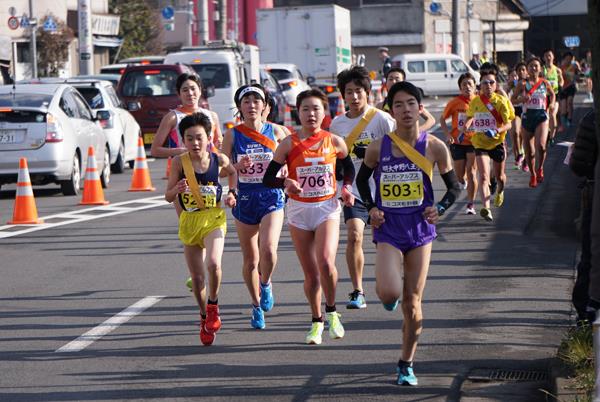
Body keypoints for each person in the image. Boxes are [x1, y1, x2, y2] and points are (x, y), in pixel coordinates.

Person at [355, 81, 461, 386]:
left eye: (410, 103)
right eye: (398, 104)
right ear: (391, 110)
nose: (405, 110)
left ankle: (406, 363)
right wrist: (372, 207)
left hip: (420, 230)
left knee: (413, 303)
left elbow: (454, 187)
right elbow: (363, 181)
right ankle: (389, 297)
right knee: (390, 293)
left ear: (420, 107)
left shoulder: (435, 146)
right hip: (388, 228)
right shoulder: (379, 146)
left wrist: (439, 209)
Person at [263, 89, 355, 345]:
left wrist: (346, 188)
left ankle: (333, 311)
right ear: (297, 113)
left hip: (327, 208)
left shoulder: (334, 141)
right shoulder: (288, 144)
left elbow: (348, 169)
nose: (311, 114)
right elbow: (268, 178)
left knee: (326, 262)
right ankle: (316, 322)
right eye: (305, 109)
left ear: (324, 113)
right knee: (312, 274)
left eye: (316, 108)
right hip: (299, 212)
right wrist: (286, 182)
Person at [164, 112, 237, 346]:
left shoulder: (218, 159)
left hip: (214, 218)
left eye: (199, 137)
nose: (195, 143)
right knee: (196, 278)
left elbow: (233, 172)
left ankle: (213, 305)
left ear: (209, 137)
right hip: (190, 221)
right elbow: (167, 196)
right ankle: (204, 315)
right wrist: (177, 189)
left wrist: (232, 193)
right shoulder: (179, 163)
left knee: (214, 263)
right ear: (182, 140)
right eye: (189, 138)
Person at [221, 84, 287, 329]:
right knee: (250, 259)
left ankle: (266, 283)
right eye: (246, 101)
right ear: (240, 107)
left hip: (271, 196)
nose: (251, 106)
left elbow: (294, 158)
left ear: (264, 106)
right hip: (245, 199)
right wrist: (237, 168)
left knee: (268, 250)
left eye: (255, 101)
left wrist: (288, 176)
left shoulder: (278, 132)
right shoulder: (232, 135)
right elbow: (218, 168)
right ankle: (256, 305)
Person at [329, 66, 396, 309]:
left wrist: (370, 153)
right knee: (354, 236)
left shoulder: (382, 119)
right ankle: (358, 291)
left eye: (359, 91)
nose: (354, 97)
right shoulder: (337, 125)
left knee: (383, 243)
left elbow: (399, 149)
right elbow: (334, 158)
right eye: (349, 92)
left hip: (383, 191)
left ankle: (389, 285)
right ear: (343, 95)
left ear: (367, 92)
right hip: (353, 191)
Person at [462, 70, 514, 221]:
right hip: (480, 144)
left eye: (491, 82)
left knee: (500, 177)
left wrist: (496, 130)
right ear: (480, 85)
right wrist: (466, 125)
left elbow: (508, 124)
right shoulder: (475, 101)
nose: (488, 85)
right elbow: (470, 116)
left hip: (497, 142)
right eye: (485, 82)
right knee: (484, 176)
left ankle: (500, 191)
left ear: (496, 85)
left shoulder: (500, 101)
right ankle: (486, 208)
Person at [151, 73, 223, 158]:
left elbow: (218, 145)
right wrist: (180, 151)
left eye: (193, 89)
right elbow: (155, 150)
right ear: (179, 94)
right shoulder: (172, 118)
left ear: (200, 91)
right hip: (181, 169)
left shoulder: (212, 116)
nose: (190, 93)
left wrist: (220, 144)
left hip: (209, 169)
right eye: (185, 90)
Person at [569, 110, 597, 322]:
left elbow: (578, 164)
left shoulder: (592, 118)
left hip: (594, 193)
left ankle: (585, 310)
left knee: (590, 250)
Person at [511, 57, 555, 188]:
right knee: (529, 152)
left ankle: (540, 168)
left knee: (541, 146)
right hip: (527, 117)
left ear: (540, 68)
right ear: (527, 69)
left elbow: (552, 94)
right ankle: (532, 174)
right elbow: (512, 100)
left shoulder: (544, 83)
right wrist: (521, 99)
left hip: (541, 116)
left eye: (536, 66)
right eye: (531, 66)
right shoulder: (522, 84)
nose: (533, 68)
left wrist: (552, 104)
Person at [440, 73, 478, 215]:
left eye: (469, 84)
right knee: (460, 176)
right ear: (460, 87)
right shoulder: (455, 102)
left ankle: (471, 204)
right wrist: (447, 134)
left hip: (475, 141)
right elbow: (442, 119)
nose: (467, 87)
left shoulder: (479, 101)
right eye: (464, 85)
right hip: (457, 141)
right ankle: (464, 181)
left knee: (472, 172)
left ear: (475, 86)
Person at [375, 67, 436, 131]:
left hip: (407, 139)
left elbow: (431, 120)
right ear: (386, 83)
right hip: (389, 140)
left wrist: (418, 131)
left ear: (403, 82)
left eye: (397, 79)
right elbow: (374, 127)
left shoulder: (410, 102)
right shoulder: (380, 106)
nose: (393, 81)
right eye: (390, 79)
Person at [507, 62, 528, 171]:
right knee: (515, 133)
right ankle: (518, 155)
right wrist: (508, 87)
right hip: (515, 110)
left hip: (528, 111)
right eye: (519, 70)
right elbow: (508, 98)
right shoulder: (513, 84)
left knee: (523, 135)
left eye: (523, 69)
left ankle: (524, 158)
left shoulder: (530, 82)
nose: (521, 72)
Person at [543, 50, 564, 145]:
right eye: (546, 56)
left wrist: (560, 84)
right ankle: (547, 133)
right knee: (546, 116)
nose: (548, 57)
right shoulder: (541, 70)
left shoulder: (557, 70)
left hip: (555, 95)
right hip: (544, 96)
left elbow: (561, 80)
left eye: (550, 55)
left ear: (553, 57)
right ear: (544, 58)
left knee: (552, 114)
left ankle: (552, 137)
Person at [558, 52, 581, 131]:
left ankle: (570, 119)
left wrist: (578, 72)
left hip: (571, 86)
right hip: (563, 88)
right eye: (566, 59)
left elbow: (579, 76)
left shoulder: (574, 66)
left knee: (570, 102)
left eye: (570, 59)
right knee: (563, 108)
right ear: (564, 59)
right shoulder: (560, 67)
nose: (568, 60)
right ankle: (565, 119)